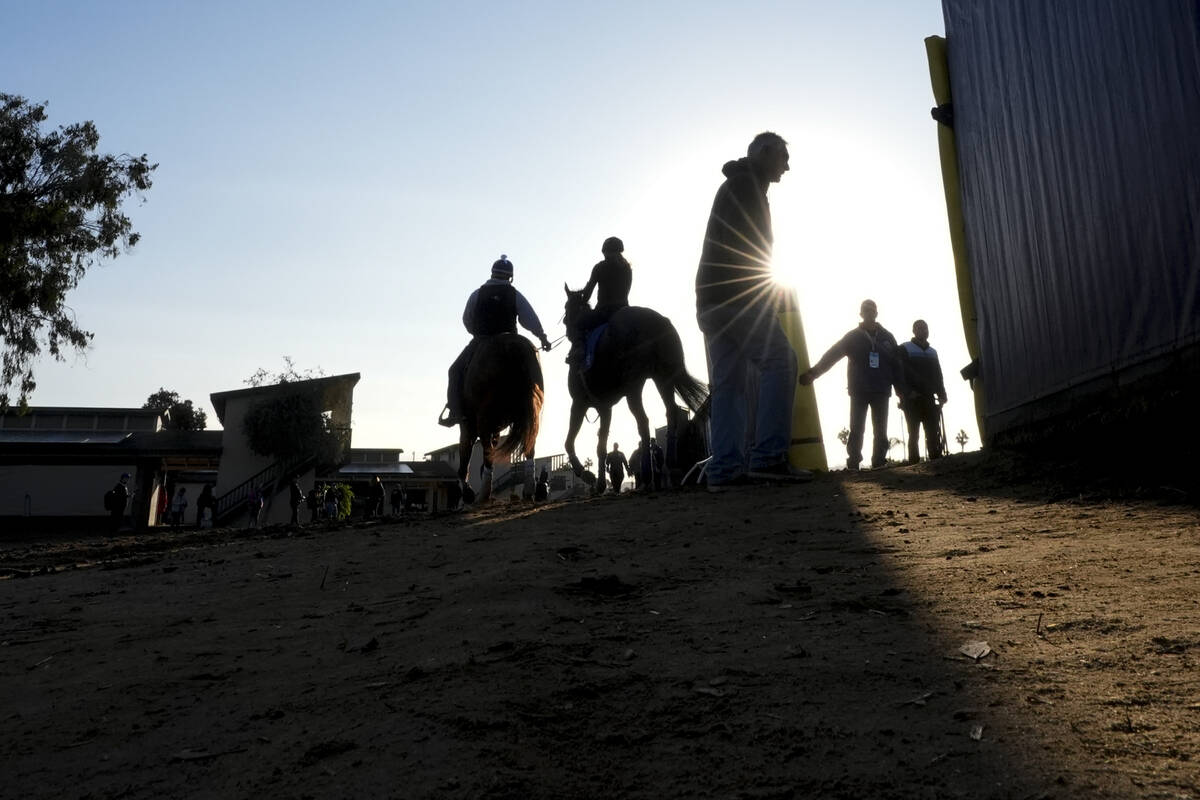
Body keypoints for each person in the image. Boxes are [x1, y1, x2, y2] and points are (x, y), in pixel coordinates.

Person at [695, 132, 810, 492]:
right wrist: (765, 294)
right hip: (738, 296)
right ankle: (769, 458)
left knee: (729, 385)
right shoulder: (748, 188)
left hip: (710, 300)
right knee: (781, 360)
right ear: (764, 153)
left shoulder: (735, 185)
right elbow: (755, 247)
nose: (787, 167)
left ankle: (726, 468)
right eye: (783, 158)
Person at [439, 255, 553, 427]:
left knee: (454, 371)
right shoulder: (515, 295)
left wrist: (476, 334)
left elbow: (467, 320)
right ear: (510, 276)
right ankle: (535, 405)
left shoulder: (477, 294)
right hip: (510, 338)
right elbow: (529, 318)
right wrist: (542, 337)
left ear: (492, 274)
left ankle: (455, 412)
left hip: (481, 340)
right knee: (532, 366)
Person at [799, 299, 906, 470]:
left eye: (872, 310)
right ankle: (853, 463)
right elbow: (832, 355)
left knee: (881, 429)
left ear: (877, 313)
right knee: (857, 428)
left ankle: (879, 461)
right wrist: (814, 373)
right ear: (861, 313)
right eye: (866, 310)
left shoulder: (888, 337)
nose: (869, 313)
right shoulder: (853, 337)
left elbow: (897, 364)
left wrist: (900, 389)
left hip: (881, 390)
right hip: (859, 390)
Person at [566, 236, 633, 368]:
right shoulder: (627, 268)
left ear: (605, 251)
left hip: (605, 311)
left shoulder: (600, 267)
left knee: (579, 323)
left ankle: (578, 351)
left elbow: (587, 295)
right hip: (625, 309)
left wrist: (581, 299)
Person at [898, 319, 948, 463]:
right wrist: (907, 393)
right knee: (913, 434)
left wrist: (942, 394)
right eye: (920, 328)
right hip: (912, 399)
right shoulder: (905, 348)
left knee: (932, 431)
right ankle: (913, 463)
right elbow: (900, 373)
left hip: (929, 398)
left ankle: (936, 461)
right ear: (914, 331)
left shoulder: (933, 352)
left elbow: (938, 375)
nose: (923, 331)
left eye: (925, 328)